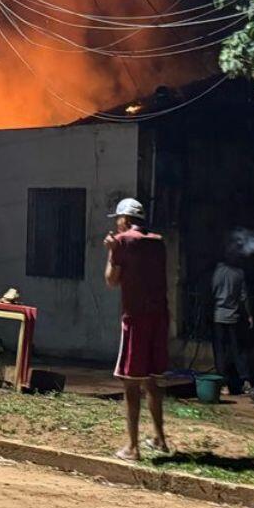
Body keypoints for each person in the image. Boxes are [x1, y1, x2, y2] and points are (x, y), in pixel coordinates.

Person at [104, 197, 170, 461]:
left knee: (130, 383)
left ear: (126, 220)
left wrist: (111, 251)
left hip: (135, 318)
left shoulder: (122, 241)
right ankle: (160, 438)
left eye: (118, 219)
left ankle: (132, 447)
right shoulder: (158, 241)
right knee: (152, 380)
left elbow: (111, 280)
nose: (117, 224)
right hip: (159, 317)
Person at [209, 248, 254, 396]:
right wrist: (249, 315)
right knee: (238, 350)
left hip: (218, 316)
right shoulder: (239, 274)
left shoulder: (216, 272)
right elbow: (243, 297)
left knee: (220, 352)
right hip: (234, 317)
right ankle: (245, 381)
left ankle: (224, 385)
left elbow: (211, 292)